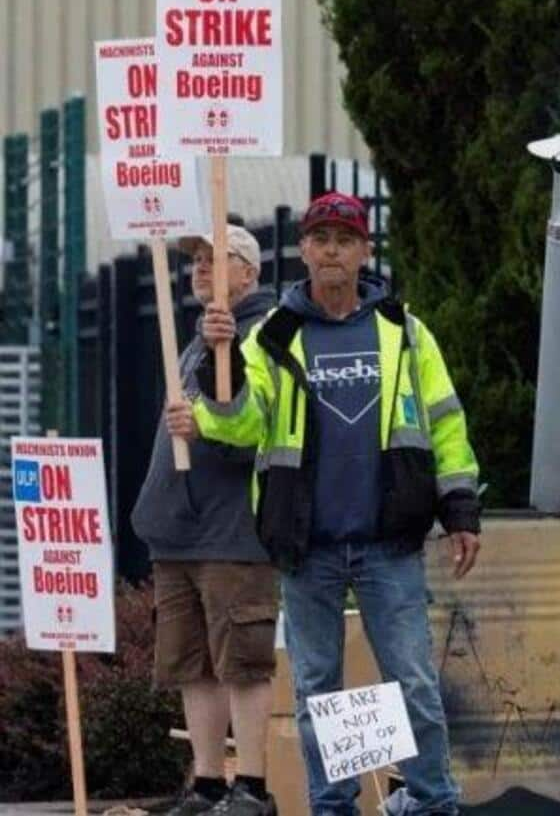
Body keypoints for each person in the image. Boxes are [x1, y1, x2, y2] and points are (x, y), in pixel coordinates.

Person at [166, 192, 481, 816]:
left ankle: (432, 801)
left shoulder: (404, 331)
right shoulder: (276, 335)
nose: (333, 249)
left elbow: (445, 423)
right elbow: (240, 424)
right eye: (321, 238)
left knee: (414, 684)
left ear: (365, 251)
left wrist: (461, 509)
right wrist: (217, 366)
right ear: (304, 250)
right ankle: (333, 807)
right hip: (307, 545)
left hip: (388, 541)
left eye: (345, 238)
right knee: (317, 693)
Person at [133, 225, 280, 816]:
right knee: (193, 663)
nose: (199, 267)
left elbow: (255, 424)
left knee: (241, 659)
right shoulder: (195, 342)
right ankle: (208, 784)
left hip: (232, 531)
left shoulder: (263, 336)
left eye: (216, 259)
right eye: (194, 259)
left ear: (249, 272)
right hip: (179, 530)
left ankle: (251, 786)